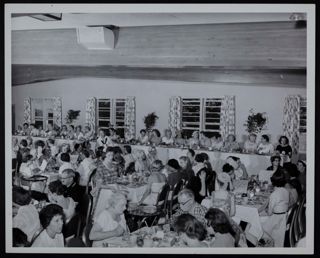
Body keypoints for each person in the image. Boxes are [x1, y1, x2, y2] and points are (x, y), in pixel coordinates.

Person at [258, 169, 289, 247]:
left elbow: (270, 213)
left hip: (276, 219)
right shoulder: (286, 191)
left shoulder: (274, 194)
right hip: (284, 217)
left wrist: (264, 209)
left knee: (257, 219)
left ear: (273, 182)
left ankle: (263, 241)